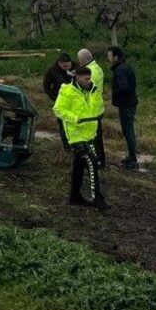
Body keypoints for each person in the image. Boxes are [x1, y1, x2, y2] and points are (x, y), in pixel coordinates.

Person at [54, 67, 109, 210]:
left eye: (89, 78)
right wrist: (75, 119)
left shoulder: (90, 90)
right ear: (77, 77)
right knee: (92, 164)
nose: (89, 81)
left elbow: (94, 108)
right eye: (86, 78)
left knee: (79, 167)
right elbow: (58, 110)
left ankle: (75, 196)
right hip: (76, 137)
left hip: (89, 135)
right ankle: (97, 198)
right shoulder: (68, 91)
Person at [106, 46, 139, 170]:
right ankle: (131, 157)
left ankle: (133, 159)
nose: (108, 58)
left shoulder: (120, 70)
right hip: (129, 103)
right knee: (127, 131)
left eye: (109, 56)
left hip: (126, 105)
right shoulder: (124, 67)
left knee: (128, 131)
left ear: (115, 57)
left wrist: (113, 92)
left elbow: (124, 87)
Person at [78, 48, 106, 167]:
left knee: (94, 137)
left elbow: (86, 88)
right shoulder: (97, 67)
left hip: (92, 109)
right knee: (97, 136)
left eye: (79, 60)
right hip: (98, 106)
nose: (79, 62)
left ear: (83, 59)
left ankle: (98, 161)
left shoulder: (90, 71)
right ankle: (99, 159)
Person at [42, 52, 74, 147]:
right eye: (64, 66)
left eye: (69, 65)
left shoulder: (76, 66)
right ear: (59, 63)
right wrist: (54, 98)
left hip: (75, 101)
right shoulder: (52, 70)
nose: (67, 67)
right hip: (61, 101)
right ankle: (67, 146)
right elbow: (46, 86)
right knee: (63, 124)